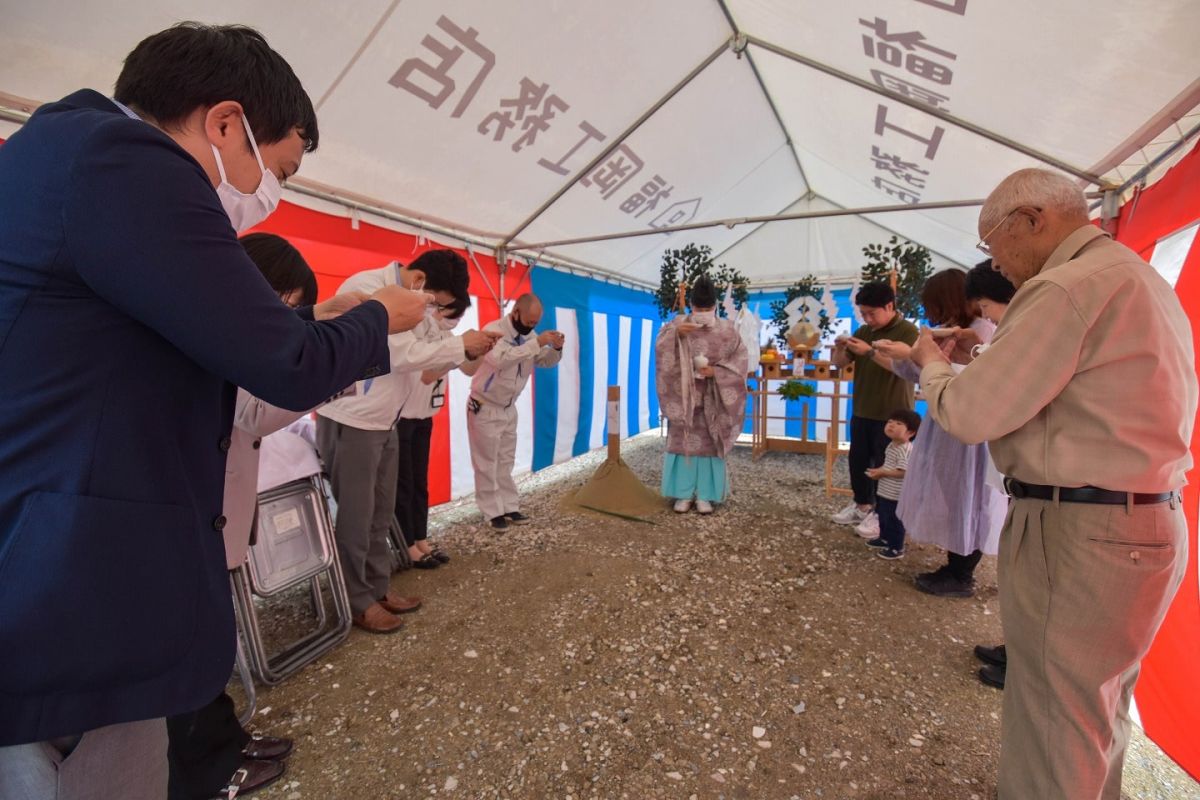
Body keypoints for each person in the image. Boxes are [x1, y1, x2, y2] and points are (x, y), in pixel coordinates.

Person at [0, 23, 429, 797]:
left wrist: (324, 319)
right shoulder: (125, 163)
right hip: (64, 580)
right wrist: (376, 318)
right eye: (282, 170)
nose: (275, 194)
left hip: (59, 558)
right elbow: (283, 363)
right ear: (226, 123)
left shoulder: (67, 158)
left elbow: (217, 332)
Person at [910, 168, 1196, 799]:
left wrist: (929, 361)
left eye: (994, 244)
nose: (996, 263)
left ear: (1032, 220)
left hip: (1082, 530)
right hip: (1139, 520)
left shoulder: (1067, 286)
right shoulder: (1131, 275)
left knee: (1051, 722)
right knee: (1094, 713)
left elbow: (970, 414)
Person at [167, 233, 327, 800]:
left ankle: (226, 740)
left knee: (209, 638)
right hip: (187, 514)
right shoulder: (201, 332)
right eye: (282, 303)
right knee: (186, 648)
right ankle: (205, 772)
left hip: (217, 511)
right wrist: (323, 374)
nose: (282, 319)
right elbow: (253, 412)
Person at [317, 250, 498, 633]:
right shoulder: (367, 289)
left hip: (386, 420)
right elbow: (397, 354)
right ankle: (356, 600)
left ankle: (377, 588)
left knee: (381, 510)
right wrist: (458, 346)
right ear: (418, 279)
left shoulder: (417, 300)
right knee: (356, 514)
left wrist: (463, 345)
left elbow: (433, 342)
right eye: (435, 301)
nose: (434, 310)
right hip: (353, 418)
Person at [871, 267, 1008, 596]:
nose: (931, 312)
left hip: (967, 432)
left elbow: (980, 381)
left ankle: (962, 574)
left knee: (969, 495)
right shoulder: (951, 331)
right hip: (946, 425)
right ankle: (955, 564)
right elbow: (918, 370)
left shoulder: (982, 332)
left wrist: (910, 355)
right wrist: (897, 355)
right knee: (951, 493)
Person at [464, 294, 564, 531]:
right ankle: (491, 511)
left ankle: (509, 506)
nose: (532, 327)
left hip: (509, 408)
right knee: (486, 462)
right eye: (529, 322)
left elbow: (545, 362)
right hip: (484, 405)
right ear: (516, 312)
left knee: (506, 461)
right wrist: (537, 342)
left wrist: (557, 349)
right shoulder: (494, 331)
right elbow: (500, 359)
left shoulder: (530, 337)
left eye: (536, 323)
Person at [830, 282, 919, 537]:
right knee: (858, 461)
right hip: (863, 408)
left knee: (888, 466)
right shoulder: (864, 330)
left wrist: (869, 352)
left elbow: (901, 366)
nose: (867, 319)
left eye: (872, 313)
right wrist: (840, 347)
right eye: (863, 313)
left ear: (889, 306)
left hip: (894, 413)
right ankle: (861, 505)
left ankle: (883, 514)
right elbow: (840, 364)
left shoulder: (908, 332)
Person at [654, 275, 749, 514]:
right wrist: (678, 335)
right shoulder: (677, 324)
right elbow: (661, 352)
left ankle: (707, 494)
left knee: (709, 445)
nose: (703, 312)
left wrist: (715, 372)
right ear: (692, 306)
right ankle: (683, 494)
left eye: (707, 309)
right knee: (683, 441)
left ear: (715, 306)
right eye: (699, 308)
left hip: (714, 397)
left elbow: (740, 362)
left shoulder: (728, 330)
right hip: (683, 396)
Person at [394, 295, 475, 569]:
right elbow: (426, 375)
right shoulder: (417, 332)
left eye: (458, 318)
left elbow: (469, 369)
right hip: (402, 417)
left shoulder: (449, 336)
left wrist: (473, 351)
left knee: (420, 483)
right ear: (438, 309)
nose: (453, 321)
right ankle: (405, 545)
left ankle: (420, 538)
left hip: (425, 416)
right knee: (403, 486)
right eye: (451, 314)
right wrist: (456, 354)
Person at [862, 409, 919, 560]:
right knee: (883, 517)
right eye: (890, 422)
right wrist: (877, 471)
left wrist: (883, 473)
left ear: (910, 433)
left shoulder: (904, 449)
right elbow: (888, 466)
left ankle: (896, 548)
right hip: (885, 491)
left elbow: (903, 472)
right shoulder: (892, 445)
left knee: (894, 520)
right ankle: (884, 538)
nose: (891, 425)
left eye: (899, 423)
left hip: (896, 494)